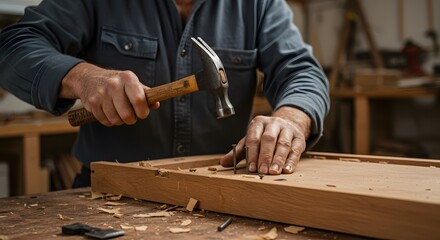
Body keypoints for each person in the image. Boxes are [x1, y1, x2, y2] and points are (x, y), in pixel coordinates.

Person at [0, 0, 330, 187]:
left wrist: (292, 118)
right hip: (109, 194)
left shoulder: (259, 5)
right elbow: (13, 46)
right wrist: (82, 77)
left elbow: (303, 71)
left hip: (225, 192)